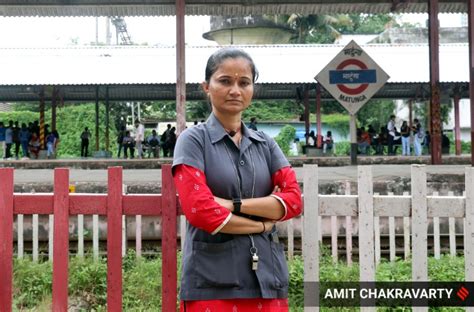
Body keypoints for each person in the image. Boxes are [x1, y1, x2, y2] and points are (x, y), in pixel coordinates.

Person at [172, 48, 302, 312]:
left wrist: (233, 205)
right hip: (212, 284)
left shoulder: (265, 143)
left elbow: (293, 201)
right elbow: (201, 211)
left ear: (253, 88)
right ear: (206, 86)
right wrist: (263, 226)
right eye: (225, 81)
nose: (235, 90)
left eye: (244, 82)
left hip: (268, 278)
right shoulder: (193, 141)